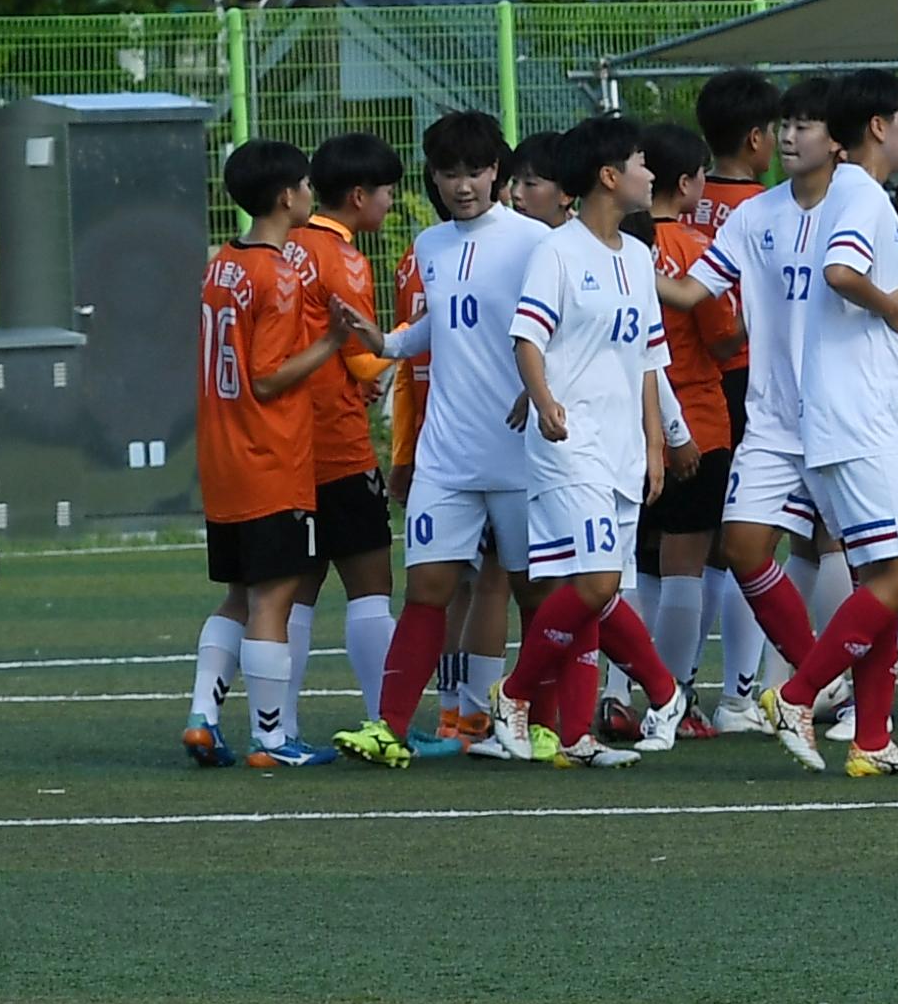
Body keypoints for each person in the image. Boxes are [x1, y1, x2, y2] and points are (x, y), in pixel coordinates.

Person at [332, 112, 554, 768]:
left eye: (476, 171)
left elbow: (562, 326)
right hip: (447, 454)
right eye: (449, 173)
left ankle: (536, 723)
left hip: (519, 452)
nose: (464, 185)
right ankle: (390, 728)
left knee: (533, 594)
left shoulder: (534, 242)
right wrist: (386, 343)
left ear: (498, 173)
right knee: (426, 587)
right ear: (432, 177)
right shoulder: (429, 246)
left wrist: (538, 389)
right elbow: (439, 328)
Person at [758, 72, 898, 780]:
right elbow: (842, 273)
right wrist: (893, 307)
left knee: (882, 577)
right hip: (861, 420)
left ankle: (873, 739)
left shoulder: (853, 193)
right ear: (878, 125)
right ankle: (800, 693)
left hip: (853, 417)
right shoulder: (863, 193)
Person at [490, 115, 693, 767]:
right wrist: (546, 402)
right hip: (568, 442)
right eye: (640, 161)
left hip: (623, 450)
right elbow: (528, 339)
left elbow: (647, 359)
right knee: (598, 582)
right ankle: (524, 694)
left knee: (591, 593)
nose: (651, 173)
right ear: (609, 176)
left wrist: (655, 443)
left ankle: (577, 736)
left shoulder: (637, 257)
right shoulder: (556, 251)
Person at [652, 75, 838, 736]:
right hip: (746, 384)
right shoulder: (766, 209)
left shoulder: (669, 219)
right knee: (772, 541)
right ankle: (743, 693)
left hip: (676, 385)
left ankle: (666, 693)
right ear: (758, 137)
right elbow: (723, 314)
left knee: (682, 553)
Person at [184, 139, 351, 770]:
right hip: (269, 456)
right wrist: (333, 340)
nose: (311, 193)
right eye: (306, 185)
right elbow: (268, 378)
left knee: (237, 595)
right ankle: (274, 738)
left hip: (222, 457)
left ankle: (203, 717)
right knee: (273, 599)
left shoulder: (220, 263)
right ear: (288, 196)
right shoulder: (276, 274)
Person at [286, 132, 403, 742]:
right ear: (359, 196)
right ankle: (387, 720)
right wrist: (413, 337)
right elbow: (363, 361)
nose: (389, 203)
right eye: (387, 193)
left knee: (293, 592)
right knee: (370, 587)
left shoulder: (284, 246)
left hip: (284, 445)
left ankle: (279, 727)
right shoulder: (347, 259)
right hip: (338, 442)